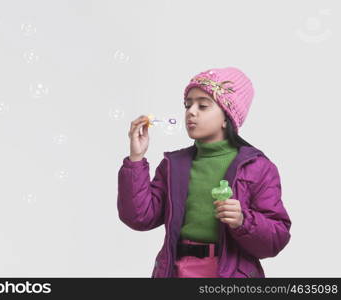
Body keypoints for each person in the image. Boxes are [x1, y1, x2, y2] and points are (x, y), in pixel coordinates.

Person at [117, 66, 292, 278]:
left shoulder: (258, 167)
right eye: (188, 105)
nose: (191, 112)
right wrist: (136, 159)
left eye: (203, 106)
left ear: (227, 117)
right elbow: (139, 217)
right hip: (175, 272)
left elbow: (276, 239)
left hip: (230, 274)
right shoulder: (174, 165)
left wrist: (243, 220)